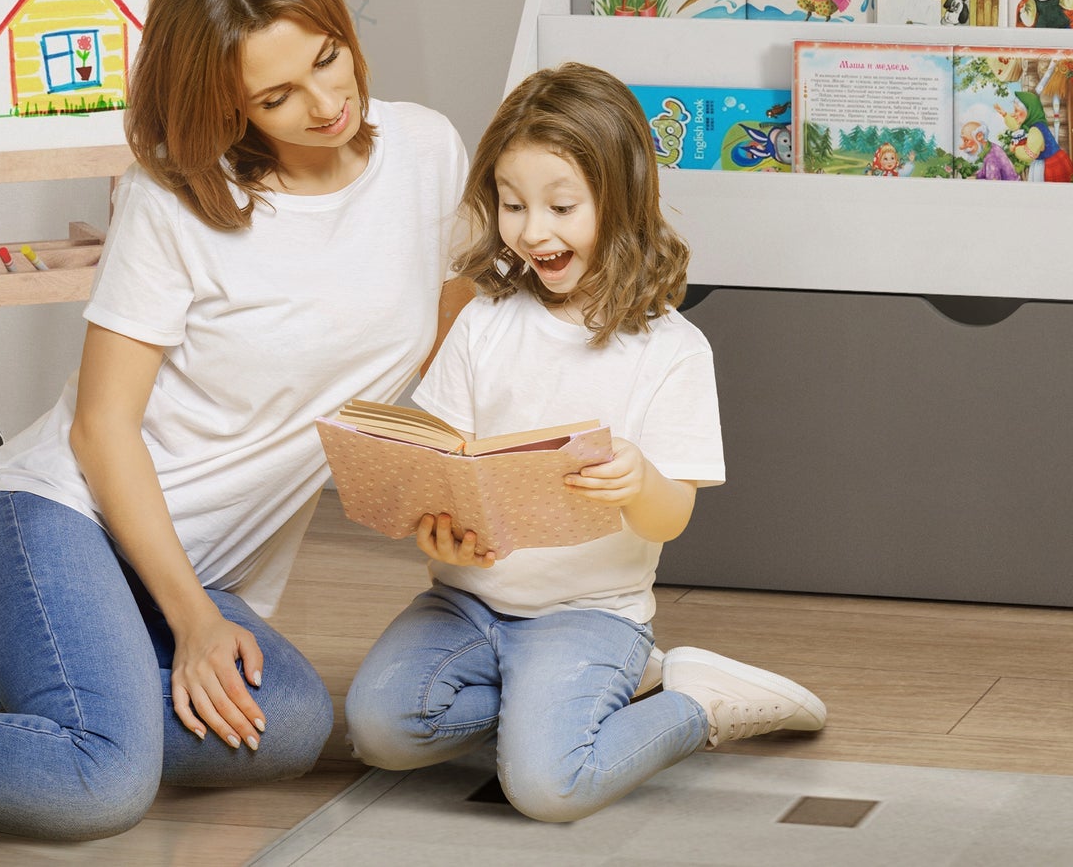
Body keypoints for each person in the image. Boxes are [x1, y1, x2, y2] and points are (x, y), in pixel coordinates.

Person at [0, 0, 469, 840]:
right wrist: (192, 621)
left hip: (196, 568)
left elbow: (444, 347)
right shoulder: (175, 199)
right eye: (276, 95)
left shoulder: (426, 149)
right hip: (58, 516)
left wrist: (449, 487)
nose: (327, 102)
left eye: (328, 57)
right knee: (101, 780)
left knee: (289, 723)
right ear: (227, 102)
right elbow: (101, 431)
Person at [345, 62, 825, 824]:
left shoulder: (670, 349)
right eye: (511, 204)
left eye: (561, 205)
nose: (533, 230)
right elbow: (443, 460)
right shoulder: (484, 321)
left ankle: (695, 699)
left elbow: (671, 519)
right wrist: (433, 523)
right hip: (465, 603)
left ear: (621, 199)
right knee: (378, 732)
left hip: (590, 611)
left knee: (547, 786)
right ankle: (562, 698)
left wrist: (639, 481)